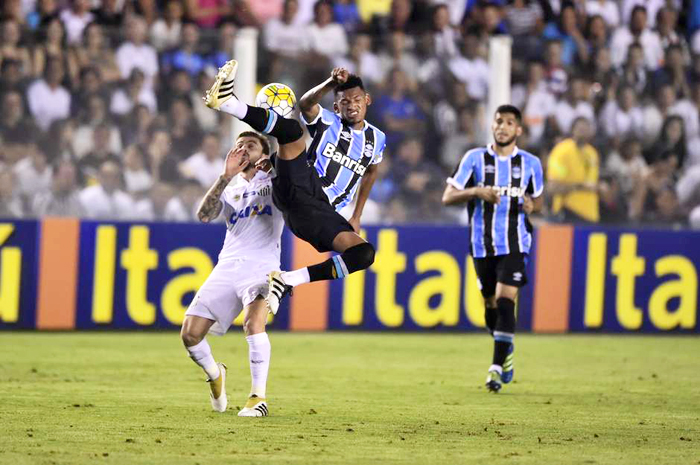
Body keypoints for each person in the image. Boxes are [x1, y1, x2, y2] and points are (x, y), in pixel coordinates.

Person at [204, 61, 384, 314]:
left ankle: (287, 280)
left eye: (356, 99)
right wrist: (331, 83)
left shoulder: (377, 139)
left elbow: (372, 170)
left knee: (363, 254)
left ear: (367, 100)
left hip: (315, 213)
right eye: (344, 101)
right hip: (302, 182)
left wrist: (357, 215)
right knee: (290, 131)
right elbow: (306, 104)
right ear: (336, 106)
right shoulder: (327, 121)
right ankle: (227, 102)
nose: (351, 105)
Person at [441, 105, 544, 393]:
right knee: (490, 304)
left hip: (515, 243)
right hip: (481, 245)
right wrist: (475, 191)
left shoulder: (530, 164)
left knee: (506, 299)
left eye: (510, 123)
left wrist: (532, 206)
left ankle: (495, 369)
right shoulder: (474, 159)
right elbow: (447, 196)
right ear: (492, 126)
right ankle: (505, 350)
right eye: (499, 121)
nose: (503, 126)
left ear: (518, 130)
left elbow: (539, 200)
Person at [180, 132, 283, 417]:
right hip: (228, 264)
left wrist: (275, 167)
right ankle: (215, 375)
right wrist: (225, 176)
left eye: (250, 145)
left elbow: (295, 188)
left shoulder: (277, 180)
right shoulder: (231, 186)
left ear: (264, 152)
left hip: (262, 265)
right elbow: (204, 215)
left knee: (253, 324)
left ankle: (257, 398)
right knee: (190, 335)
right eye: (238, 145)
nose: (242, 148)